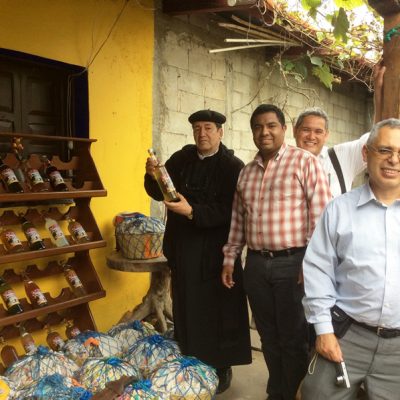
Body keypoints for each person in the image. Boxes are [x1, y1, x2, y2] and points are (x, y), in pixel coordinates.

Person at [221, 104, 331, 400]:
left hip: (293, 263)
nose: (264, 132)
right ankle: (277, 389)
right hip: (256, 265)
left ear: (284, 129)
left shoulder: (305, 162)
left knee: (293, 337)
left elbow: (321, 218)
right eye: (258, 127)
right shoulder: (246, 173)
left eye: (271, 125)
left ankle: (292, 393)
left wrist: (311, 264)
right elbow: (238, 219)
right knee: (268, 336)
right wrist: (230, 257)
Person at [144, 109, 252, 394]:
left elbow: (232, 210)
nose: (201, 134)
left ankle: (221, 367)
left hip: (217, 252)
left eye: (208, 128)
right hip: (183, 249)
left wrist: (193, 211)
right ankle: (190, 363)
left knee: (219, 312)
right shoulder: (181, 159)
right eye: (197, 129)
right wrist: (151, 175)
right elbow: (160, 191)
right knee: (187, 308)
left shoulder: (232, 166)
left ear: (220, 132)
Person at [301, 118, 400, 400]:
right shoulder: (339, 210)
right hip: (347, 335)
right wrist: (323, 331)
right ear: (366, 155)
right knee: (316, 394)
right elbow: (318, 271)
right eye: (384, 150)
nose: (393, 160)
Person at [294, 64, 386, 198]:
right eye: (306, 130)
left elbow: (376, 139)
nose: (311, 136)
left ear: (326, 135)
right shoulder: (282, 163)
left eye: (318, 131)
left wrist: (378, 93)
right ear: (295, 131)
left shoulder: (340, 157)